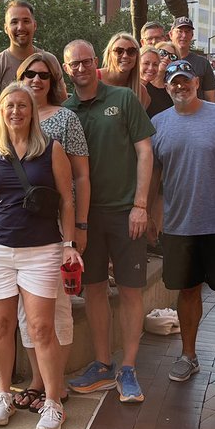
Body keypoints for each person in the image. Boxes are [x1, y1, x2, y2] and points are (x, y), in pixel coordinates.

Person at [0, 84, 83, 429]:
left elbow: (67, 201)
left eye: (22, 106)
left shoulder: (51, 149)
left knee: (40, 328)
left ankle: (53, 402)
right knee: (0, 325)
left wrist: (69, 243)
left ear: (32, 111)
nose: (16, 111)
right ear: (1, 111)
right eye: (9, 106)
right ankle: (3, 395)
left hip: (42, 251)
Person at [149, 59, 215, 389]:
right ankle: (188, 355)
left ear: (196, 81)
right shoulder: (159, 124)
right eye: (174, 82)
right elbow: (154, 174)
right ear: (167, 87)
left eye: (186, 80)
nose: (181, 86)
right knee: (187, 292)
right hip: (179, 226)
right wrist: (152, 213)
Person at [63, 39, 154, 403]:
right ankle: (103, 364)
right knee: (95, 288)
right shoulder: (66, 111)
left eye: (86, 62)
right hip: (86, 218)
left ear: (95, 62)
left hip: (125, 213)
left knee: (131, 290)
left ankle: (128, 367)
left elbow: (145, 151)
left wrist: (141, 205)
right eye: (75, 64)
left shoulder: (123, 99)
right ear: (67, 69)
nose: (82, 69)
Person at [17, 51, 90, 409]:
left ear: (53, 81)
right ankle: (36, 379)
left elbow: (81, 177)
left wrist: (78, 228)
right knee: (24, 314)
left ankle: (55, 384)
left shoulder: (65, 119)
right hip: (14, 231)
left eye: (44, 75)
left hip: (56, 229)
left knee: (56, 309)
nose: (36, 80)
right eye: (29, 74)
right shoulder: (8, 118)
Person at [0, 0, 60, 116]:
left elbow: (60, 102)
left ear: (35, 25)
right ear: (6, 28)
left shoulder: (50, 61)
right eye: (14, 22)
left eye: (26, 21)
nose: (20, 27)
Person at [167, 17, 215, 101]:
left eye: (187, 32)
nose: (184, 35)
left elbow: (211, 98)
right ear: (171, 34)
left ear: (192, 36)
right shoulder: (163, 61)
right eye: (179, 31)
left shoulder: (203, 63)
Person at [99, 32, 145, 102]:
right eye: (119, 51)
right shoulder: (93, 78)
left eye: (131, 51)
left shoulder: (141, 92)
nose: (125, 56)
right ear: (109, 54)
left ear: (137, 56)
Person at [140, 46, 173, 118]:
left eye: (155, 64)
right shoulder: (127, 87)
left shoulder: (146, 94)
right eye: (146, 63)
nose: (151, 68)